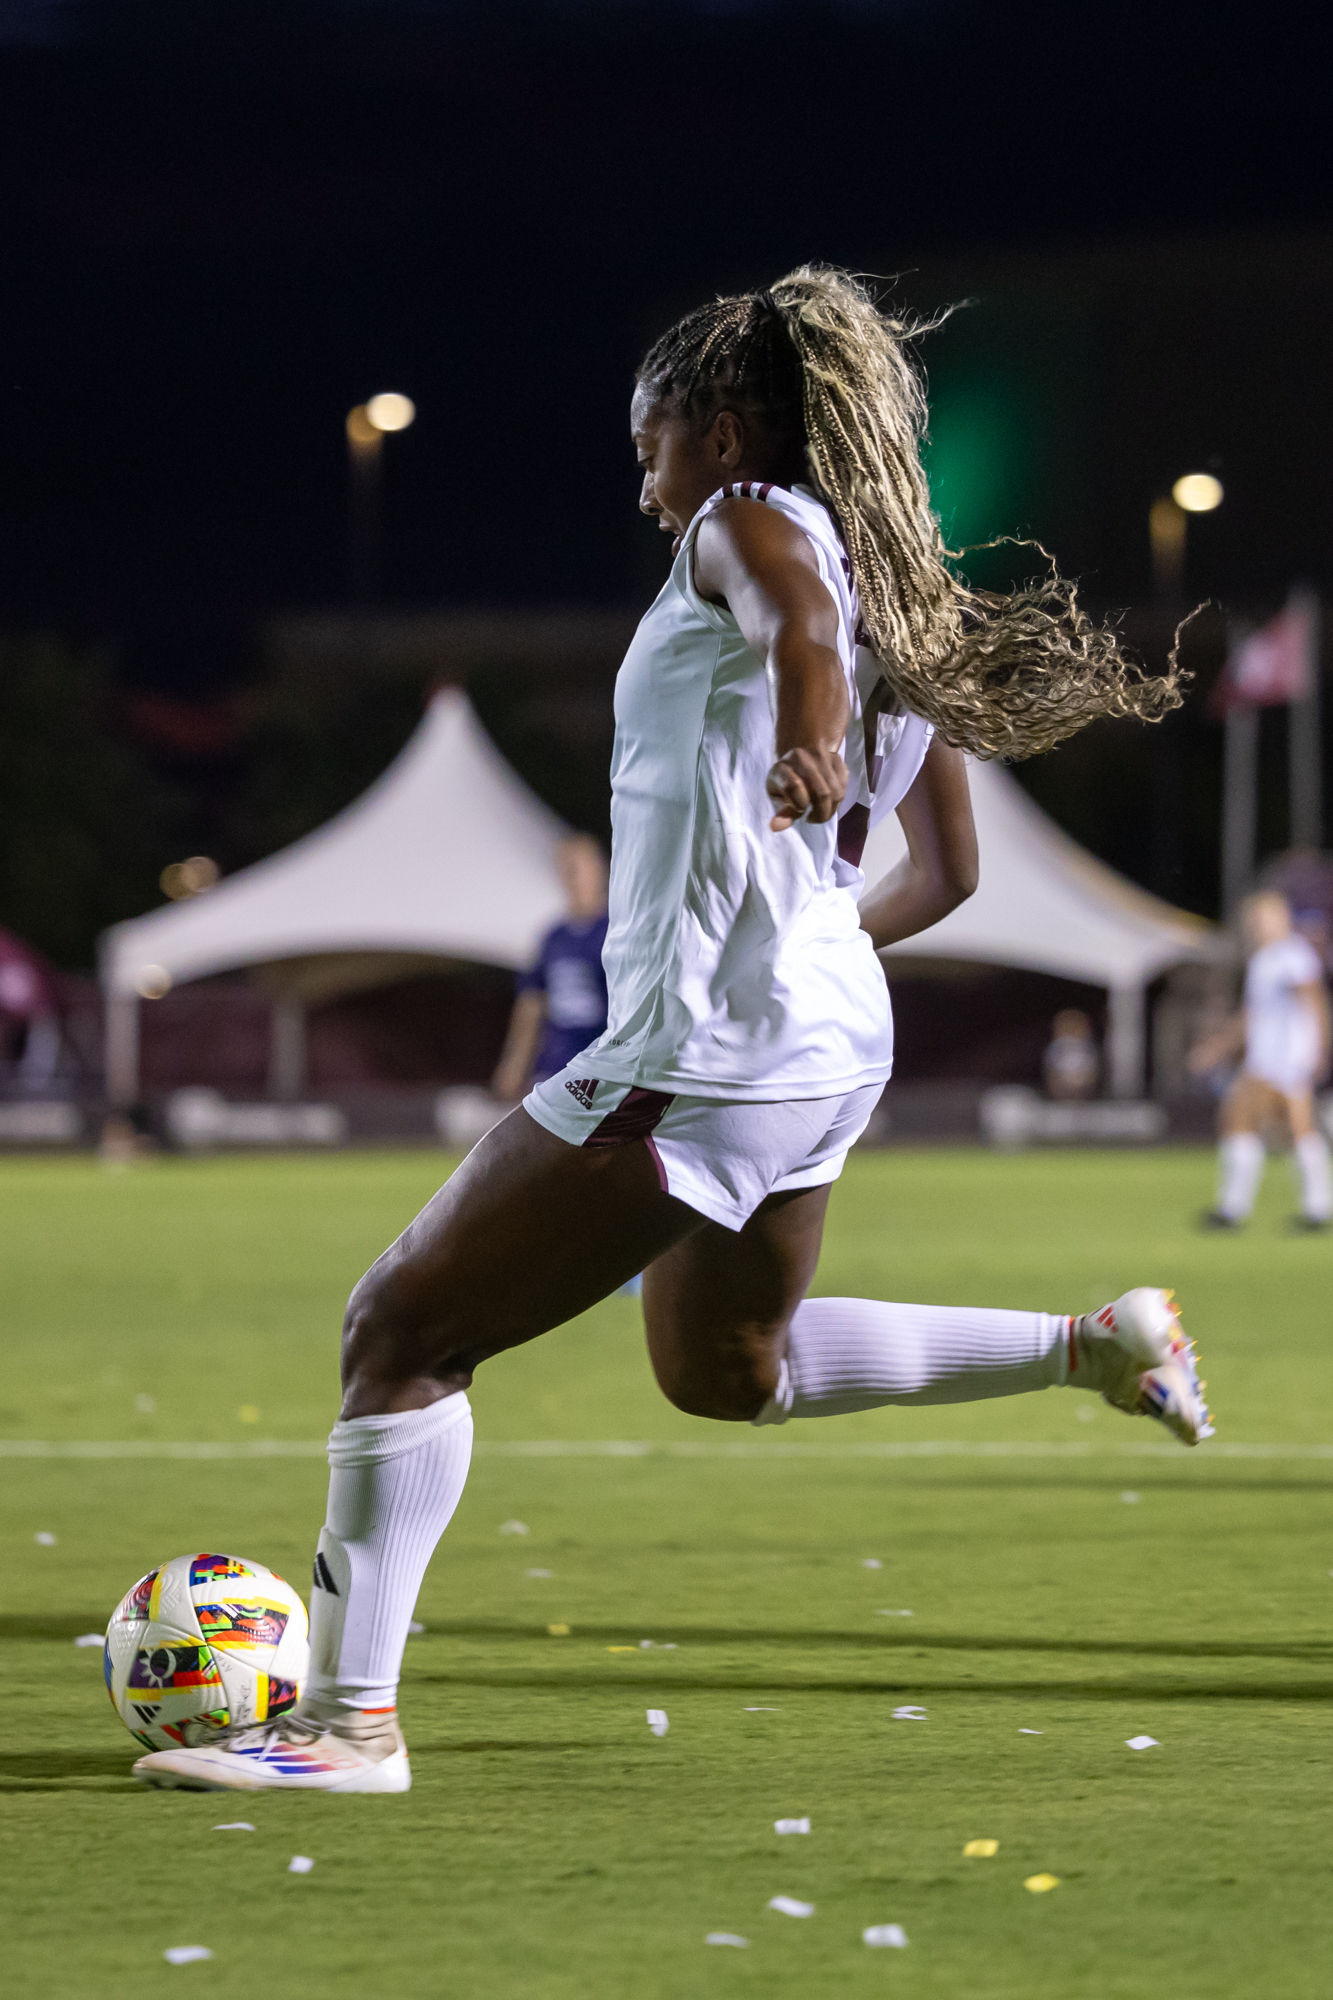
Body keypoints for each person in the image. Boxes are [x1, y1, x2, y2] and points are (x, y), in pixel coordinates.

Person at [135, 267, 1210, 1796]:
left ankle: (345, 1727)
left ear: (716, 432)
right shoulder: (905, 591)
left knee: (400, 1332)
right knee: (726, 1370)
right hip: (826, 1038)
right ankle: (1088, 1347)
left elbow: (789, 631)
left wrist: (808, 738)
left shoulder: (748, 521)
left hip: (699, 1048)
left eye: (648, 452)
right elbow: (951, 874)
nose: (646, 494)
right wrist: (820, 917)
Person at [1190, 889, 1332, 1229]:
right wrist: (1218, 1048)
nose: (1258, 925)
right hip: (1264, 1058)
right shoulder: (1263, 959)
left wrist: (1320, 1050)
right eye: (1254, 919)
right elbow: (1251, 1017)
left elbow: (1314, 1002)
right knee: (1262, 1124)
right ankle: (1244, 1208)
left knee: (1285, 1126)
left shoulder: (1292, 955)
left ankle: (1307, 1208)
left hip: (1286, 1058)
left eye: (1265, 917)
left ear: (1282, 918)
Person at [491, 835, 609, 1102]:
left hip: (603, 1061)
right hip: (557, 1062)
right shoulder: (553, 938)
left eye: (578, 868)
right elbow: (531, 1003)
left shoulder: (618, 932)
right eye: (566, 869)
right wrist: (513, 1065)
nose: (573, 877)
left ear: (599, 871)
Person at [1042, 1009, 1099, 1101]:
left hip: (1084, 1091)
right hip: (1061, 1091)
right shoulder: (1056, 1048)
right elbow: (1051, 1073)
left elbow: (1092, 1072)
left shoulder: (1087, 1048)